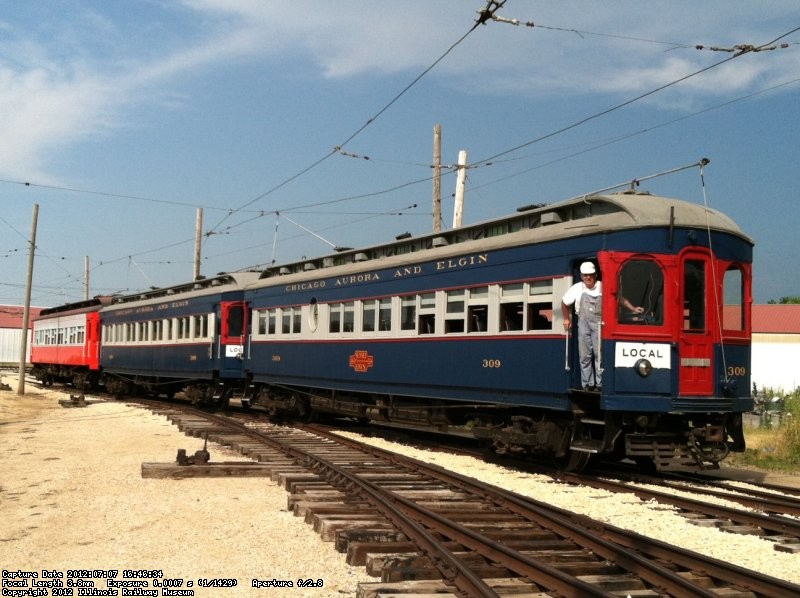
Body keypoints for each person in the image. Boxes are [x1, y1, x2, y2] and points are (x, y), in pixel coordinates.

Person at [561, 261, 603, 391]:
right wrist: (567, 319)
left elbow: (618, 299)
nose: (588, 278)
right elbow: (564, 302)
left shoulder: (603, 286)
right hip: (583, 323)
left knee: (599, 354)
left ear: (595, 275)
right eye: (585, 275)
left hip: (599, 324)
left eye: (590, 275)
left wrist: (633, 308)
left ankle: (600, 384)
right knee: (585, 355)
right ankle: (588, 384)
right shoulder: (577, 287)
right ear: (581, 276)